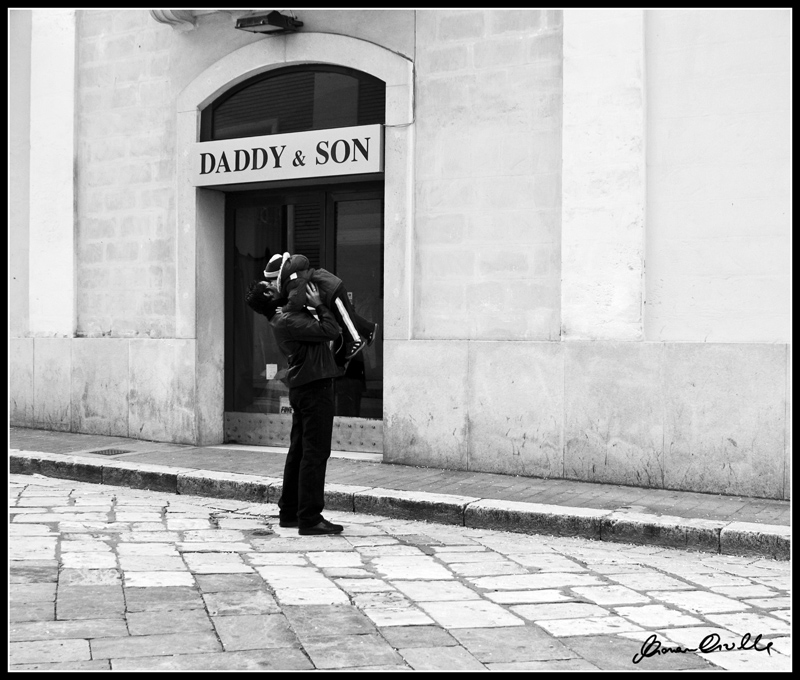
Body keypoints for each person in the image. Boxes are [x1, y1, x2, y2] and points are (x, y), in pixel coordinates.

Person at [244, 279, 345, 536]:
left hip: (304, 387)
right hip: (314, 388)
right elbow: (332, 330)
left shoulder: (282, 317)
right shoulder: (288, 319)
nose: (277, 283)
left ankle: (289, 512)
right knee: (315, 453)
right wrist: (319, 305)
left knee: (299, 452)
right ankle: (310, 518)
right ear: (269, 293)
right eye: (270, 283)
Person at [263, 252, 378, 361]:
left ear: (278, 276)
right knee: (345, 314)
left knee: (343, 316)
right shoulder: (293, 277)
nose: (272, 284)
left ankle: (354, 341)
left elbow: (297, 301)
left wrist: (285, 309)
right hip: (328, 292)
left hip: (331, 291)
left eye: (271, 281)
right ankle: (368, 329)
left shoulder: (293, 280)